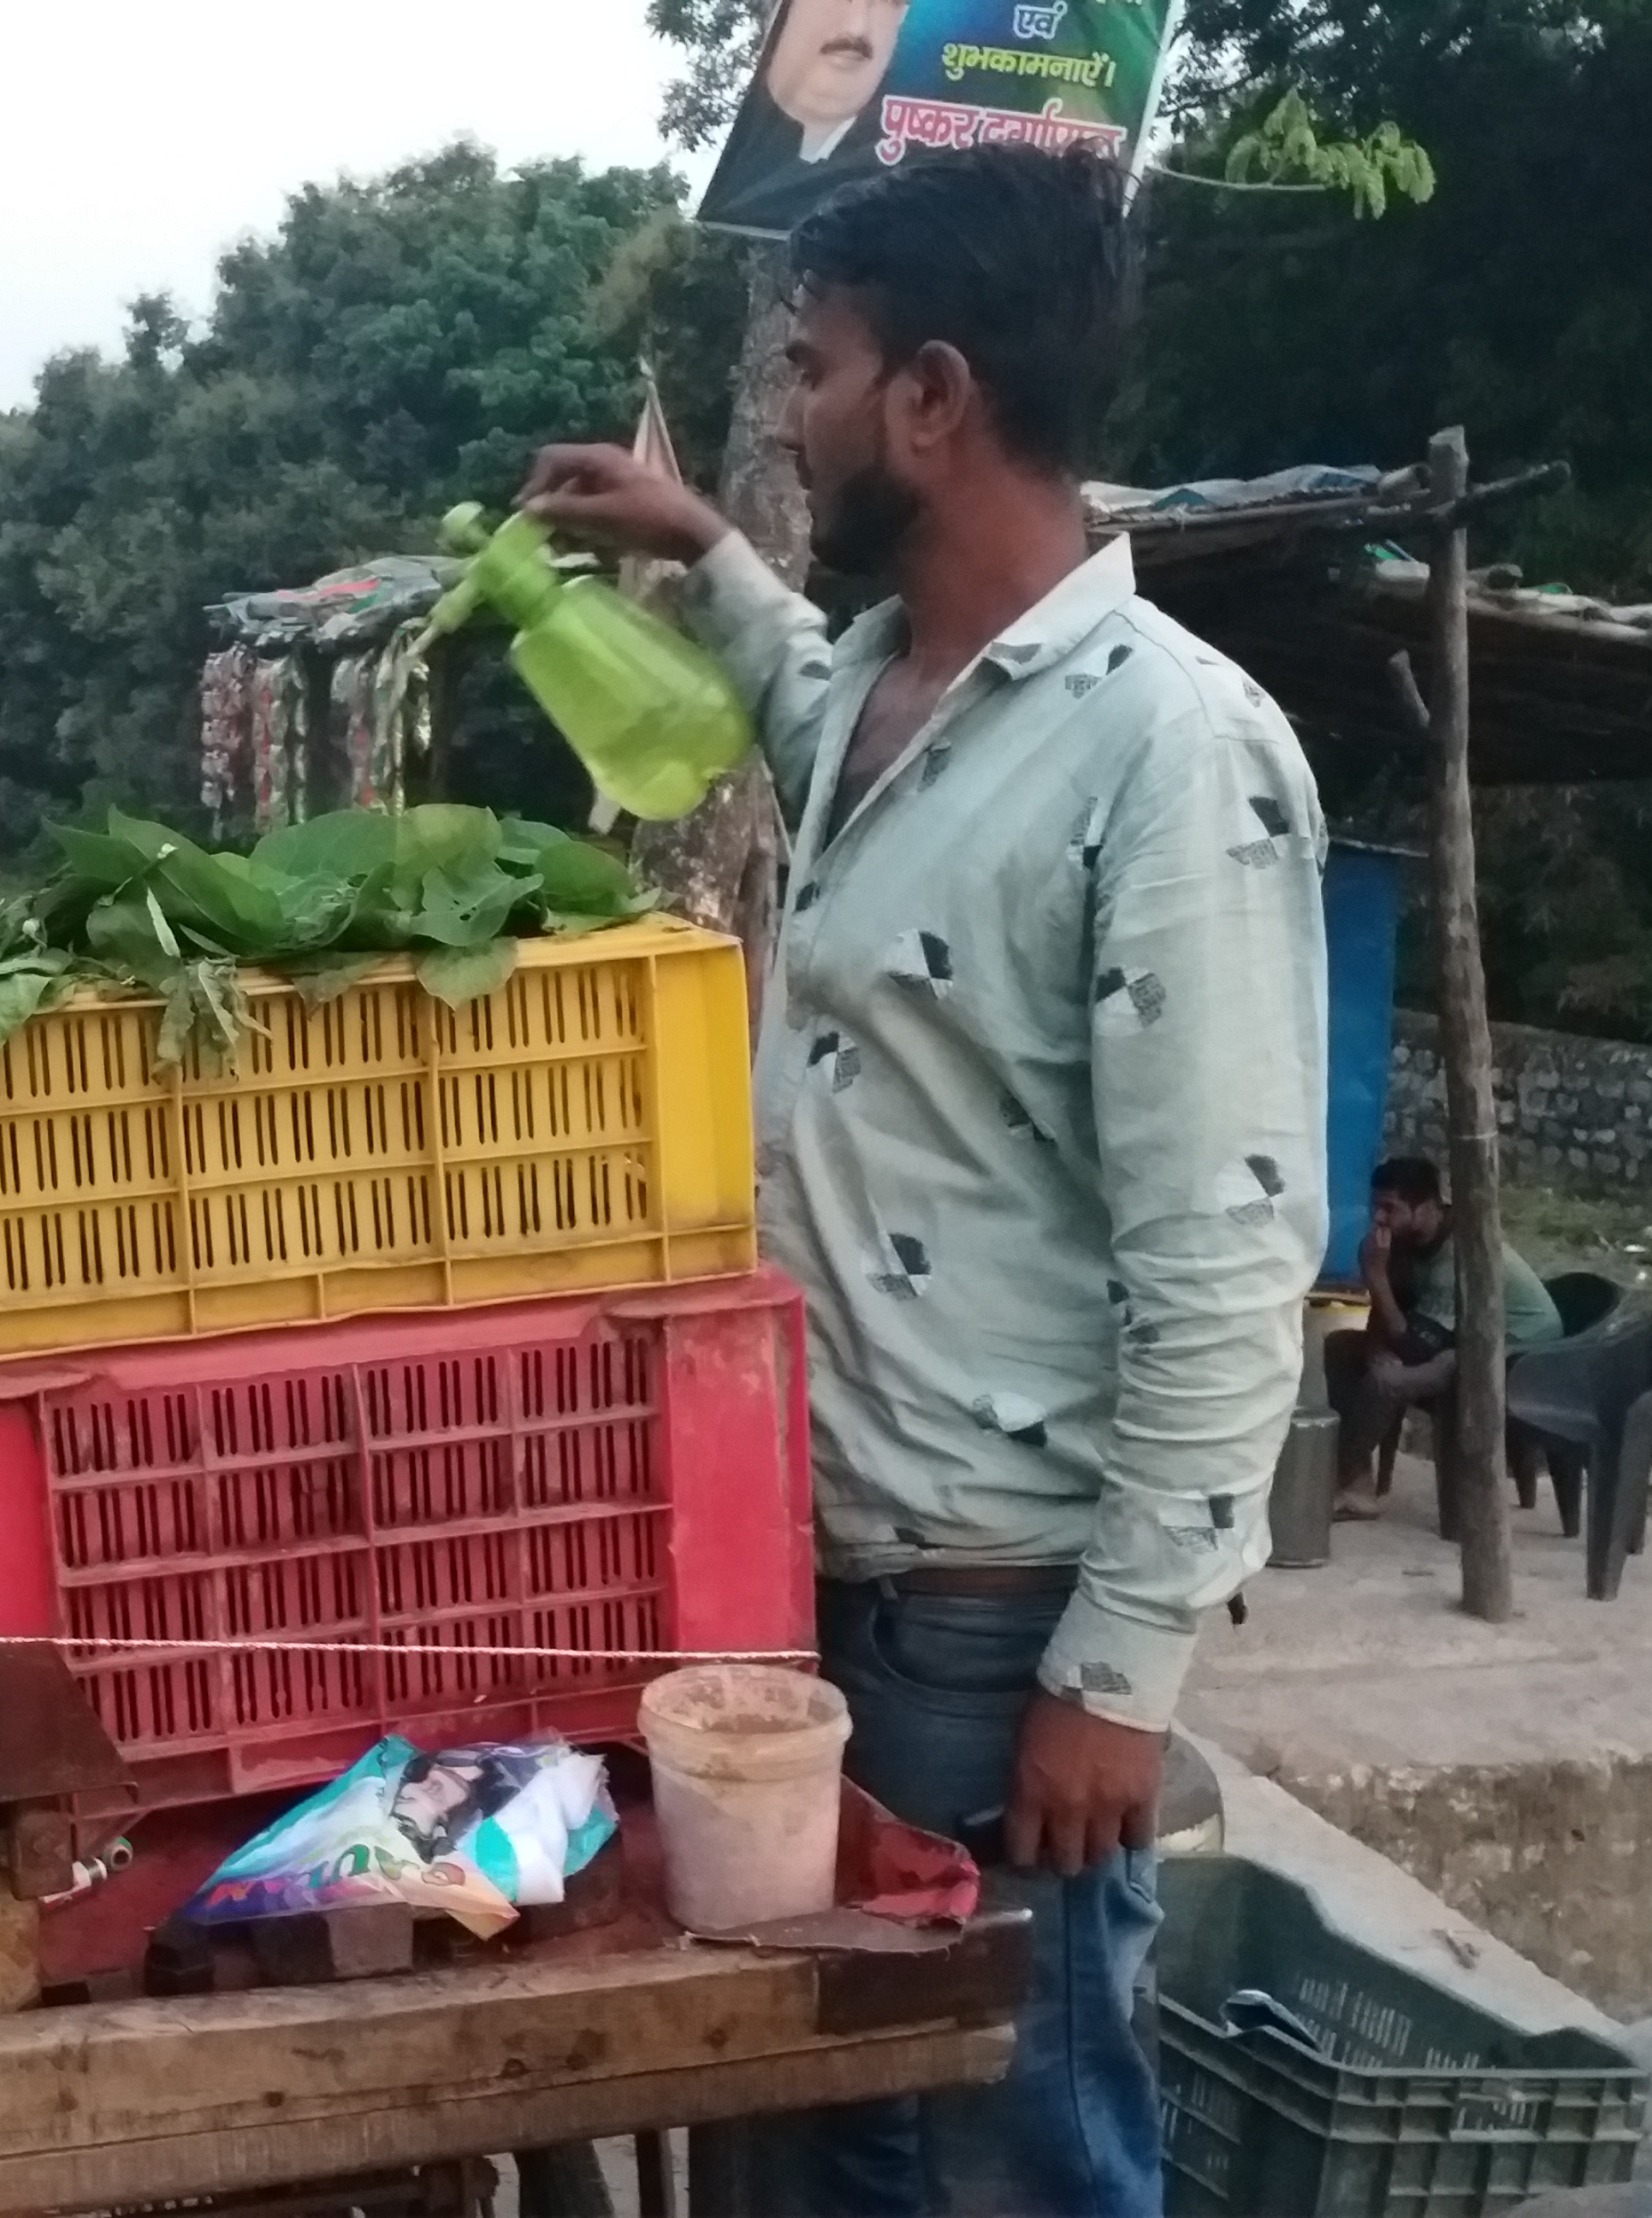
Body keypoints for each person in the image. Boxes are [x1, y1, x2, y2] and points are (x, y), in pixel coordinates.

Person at [519, 146, 1326, 2216]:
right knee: (807, 2127)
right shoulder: (894, 699)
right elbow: (805, 692)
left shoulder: (1171, 752)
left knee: (1009, 2148)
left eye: (813, 369)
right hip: (812, 1589)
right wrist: (697, 542)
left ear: (933, 399)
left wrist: (1116, 1674)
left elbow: (1230, 1251)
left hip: (998, 1624)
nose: (787, 412)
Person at [1326, 1156, 1568, 1516]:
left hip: (1522, 1357)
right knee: (1341, 1348)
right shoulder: (1406, 1242)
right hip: (1459, 1341)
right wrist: (1376, 1345)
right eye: (1376, 1207)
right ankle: (1356, 1478)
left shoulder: (1459, 1253)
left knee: (1390, 1379)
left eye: (1389, 1209)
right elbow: (1391, 1316)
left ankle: (1342, 1479)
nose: (1378, 1218)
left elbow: (1415, 1345)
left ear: (1426, 1209)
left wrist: (1374, 1277)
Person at [695, 0, 918, 237]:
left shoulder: (907, 175)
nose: (857, 28)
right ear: (775, 20)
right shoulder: (754, 164)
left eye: (886, 2)